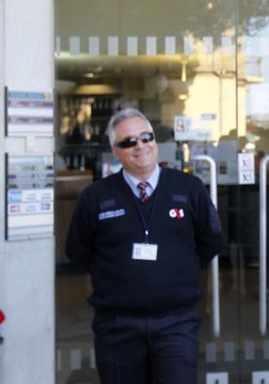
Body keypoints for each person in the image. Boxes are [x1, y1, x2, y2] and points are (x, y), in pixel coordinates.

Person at [65, 108, 224, 384]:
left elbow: (210, 240)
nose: (140, 146)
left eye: (146, 137)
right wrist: (118, 276)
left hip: (177, 323)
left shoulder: (188, 188)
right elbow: (78, 251)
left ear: (154, 141)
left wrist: (177, 270)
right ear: (115, 151)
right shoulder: (96, 197)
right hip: (118, 326)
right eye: (129, 142)